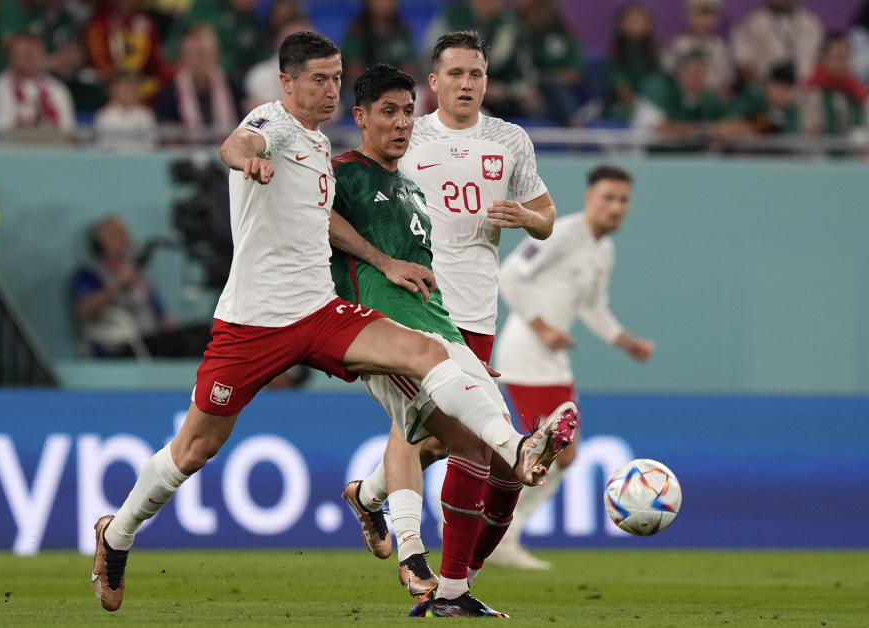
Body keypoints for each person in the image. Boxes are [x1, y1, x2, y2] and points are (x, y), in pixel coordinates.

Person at [90, 31, 566, 614]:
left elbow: (327, 223)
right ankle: (117, 535)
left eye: (337, 77)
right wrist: (247, 158)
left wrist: (382, 260)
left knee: (428, 353)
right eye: (318, 79)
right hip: (253, 322)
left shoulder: (320, 148)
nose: (330, 89)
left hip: (320, 313)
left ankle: (510, 449)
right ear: (287, 82)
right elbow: (236, 144)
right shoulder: (277, 122)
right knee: (195, 449)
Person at [331, 63, 578, 617]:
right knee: (449, 439)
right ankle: (422, 562)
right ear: (435, 81)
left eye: (478, 74)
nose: (467, 83)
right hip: (391, 327)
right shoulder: (357, 167)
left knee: (456, 445)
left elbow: (545, 218)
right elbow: (316, 217)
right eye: (456, 73)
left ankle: (373, 501)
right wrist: (379, 262)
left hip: (459, 316)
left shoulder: (493, 147)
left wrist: (528, 218)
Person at [487, 165, 654, 569]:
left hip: (551, 358)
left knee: (559, 455)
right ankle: (495, 533)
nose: (616, 207)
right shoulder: (563, 232)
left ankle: (498, 532)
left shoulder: (603, 250)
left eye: (623, 200)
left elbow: (593, 307)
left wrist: (625, 341)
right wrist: (543, 327)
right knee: (550, 453)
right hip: (527, 353)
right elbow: (509, 275)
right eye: (608, 198)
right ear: (589, 200)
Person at [70, 216, 208, 357]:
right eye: (114, 235)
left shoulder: (139, 275)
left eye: (123, 233)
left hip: (151, 339)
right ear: (99, 243)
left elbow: (162, 315)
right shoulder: (89, 274)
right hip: (119, 344)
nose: (122, 238)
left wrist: (175, 327)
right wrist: (119, 286)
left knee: (203, 335)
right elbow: (83, 311)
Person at [0, 31, 75, 139]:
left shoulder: (58, 89)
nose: (31, 58)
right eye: (25, 54)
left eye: (35, 53)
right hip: (13, 153)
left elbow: (67, 132)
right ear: (11, 57)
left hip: (53, 152)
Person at [155, 25, 238, 142]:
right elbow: (167, 130)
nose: (200, 61)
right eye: (194, 56)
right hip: (185, 155)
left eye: (205, 55)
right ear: (183, 59)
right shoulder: (170, 91)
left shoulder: (232, 86)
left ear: (216, 57)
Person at [731, 0, 824, 86]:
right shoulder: (749, 24)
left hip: (806, 93)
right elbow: (742, 63)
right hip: (764, 93)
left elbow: (821, 61)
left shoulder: (812, 24)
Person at [603, 2, 661, 124]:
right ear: (622, 25)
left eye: (640, 20)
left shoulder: (656, 55)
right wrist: (642, 109)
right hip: (625, 108)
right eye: (632, 20)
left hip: (653, 105)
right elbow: (622, 89)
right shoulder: (616, 57)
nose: (636, 24)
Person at [662, 0, 733, 98]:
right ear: (689, 16)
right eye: (697, 15)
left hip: (710, 95)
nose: (702, 21)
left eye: (708, 16)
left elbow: (725, 78)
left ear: (716, 19)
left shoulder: (718, 46)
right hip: (683, 95)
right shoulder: (679, 43)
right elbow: (670, 70)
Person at [801, 33, 868, 137]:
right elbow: (807, 131)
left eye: (847, 57)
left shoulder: (857, 91)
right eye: (839, 57)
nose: (844, 62)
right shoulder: (812, 90)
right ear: (824, 59)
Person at [95, 72, 157, 151]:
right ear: (114, 90)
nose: (127, 90)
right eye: (123, 86)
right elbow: (103, 146)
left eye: (131, 86)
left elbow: (151, 145)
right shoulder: (104, 115)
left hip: (140, 160)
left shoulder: (146, 115)